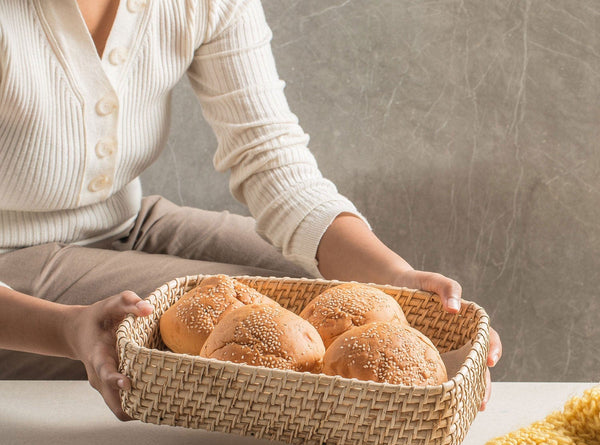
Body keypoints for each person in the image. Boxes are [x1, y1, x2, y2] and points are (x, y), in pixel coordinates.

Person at [0, 0, 501, 420]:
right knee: (255, 320)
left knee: (332, 300)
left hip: (129, 222)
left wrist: (396, 280)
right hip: (11, 265)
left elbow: (267, 155)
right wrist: (66, 328)